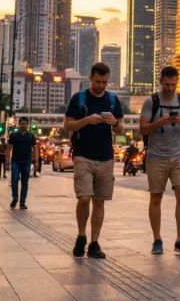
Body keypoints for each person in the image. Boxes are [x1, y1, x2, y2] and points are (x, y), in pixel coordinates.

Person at [64, 61, 124, 259]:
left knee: (100, 201)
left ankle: (94, 242)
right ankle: (81, 236)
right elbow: (68, 126)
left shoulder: (113, 100)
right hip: (83, 154)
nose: (101, 86)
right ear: (90, 78)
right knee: (84, 198)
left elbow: (120, 129)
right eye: (98, 81)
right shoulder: (79, 98)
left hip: (106, 156)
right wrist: (87, 120)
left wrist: (114, 122)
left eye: (105, 82)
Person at [139, 66, 180, 255]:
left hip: (178, 154)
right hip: (156, 156)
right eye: (167, 84)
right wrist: (159, 123)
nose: (170, 88)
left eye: (173, 84)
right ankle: (157, 239)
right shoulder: (151, 101)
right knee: (156, 197)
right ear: (161, 82)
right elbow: (143, 129)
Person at [7, 117, 38, 209]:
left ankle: (22, 202)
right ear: (19, 124)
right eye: (22, 123)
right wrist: (6, 162)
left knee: (25, 182)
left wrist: (36, 161)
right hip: (15, 161)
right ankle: (15, 197)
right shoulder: (13, 135)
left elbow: (35, 149)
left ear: (27, 125)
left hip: (26, 162)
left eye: (25, 124)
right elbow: (8, 149)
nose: (24, 125)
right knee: (15, 179)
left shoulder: (31, 136)